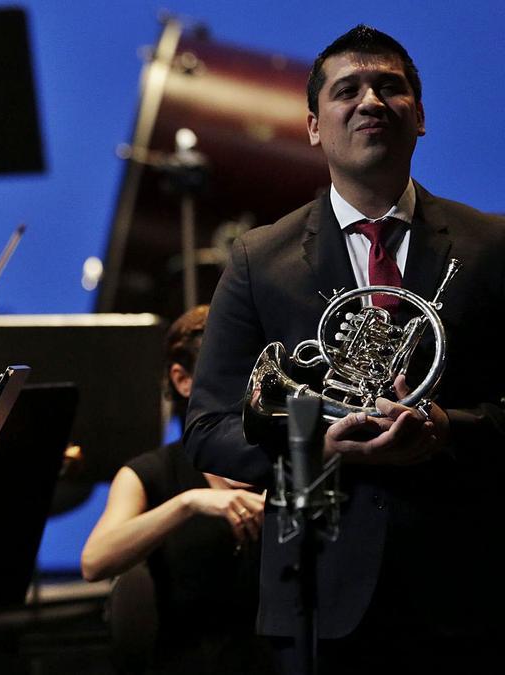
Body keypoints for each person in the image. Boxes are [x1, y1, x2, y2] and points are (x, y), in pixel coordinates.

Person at [184, 25, 505, 674]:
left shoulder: (492, 247)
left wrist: (447, 430)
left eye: (392, 87)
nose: (371, 101)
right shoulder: (257, 260)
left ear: (421, 119)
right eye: (347, 89)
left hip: (470, 587)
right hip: (316, 595)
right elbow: (208, 426)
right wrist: (315, 444)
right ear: (311, 125)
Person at [81, 306, 274, 675]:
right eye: (229, 372)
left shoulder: (290, 457)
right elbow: (94, 562)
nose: (250, 386)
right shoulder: (151, 473)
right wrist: (187, 503)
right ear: (183, 380)